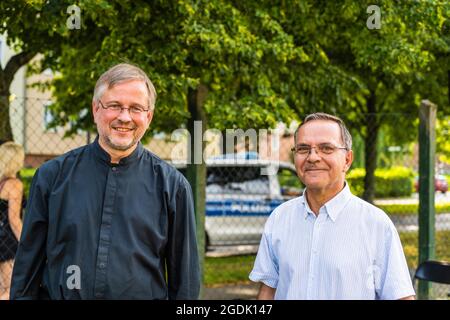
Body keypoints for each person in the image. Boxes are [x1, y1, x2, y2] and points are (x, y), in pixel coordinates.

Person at [10, 63, 200, 300]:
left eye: (136, 108)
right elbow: (27, 269)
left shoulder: (173, 188)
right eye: (114, 106)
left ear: (148, 117)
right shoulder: (51, 177)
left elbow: (186, 284)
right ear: (95, 109)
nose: (124, 117)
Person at [249, 112, 415, 300]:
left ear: (347, 159)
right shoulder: (279, 218)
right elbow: (268, 290)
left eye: (326, 148)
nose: (312, 157)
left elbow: (401, 297)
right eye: (303, 149)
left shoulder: (376, 225)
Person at [0, 142, 25, 300]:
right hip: (9, 242)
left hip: (1, 239)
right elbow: (14, 219)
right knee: (11, 289)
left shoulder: (2, 183)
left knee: (3, 287)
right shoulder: (14, 185)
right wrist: (27, 243)